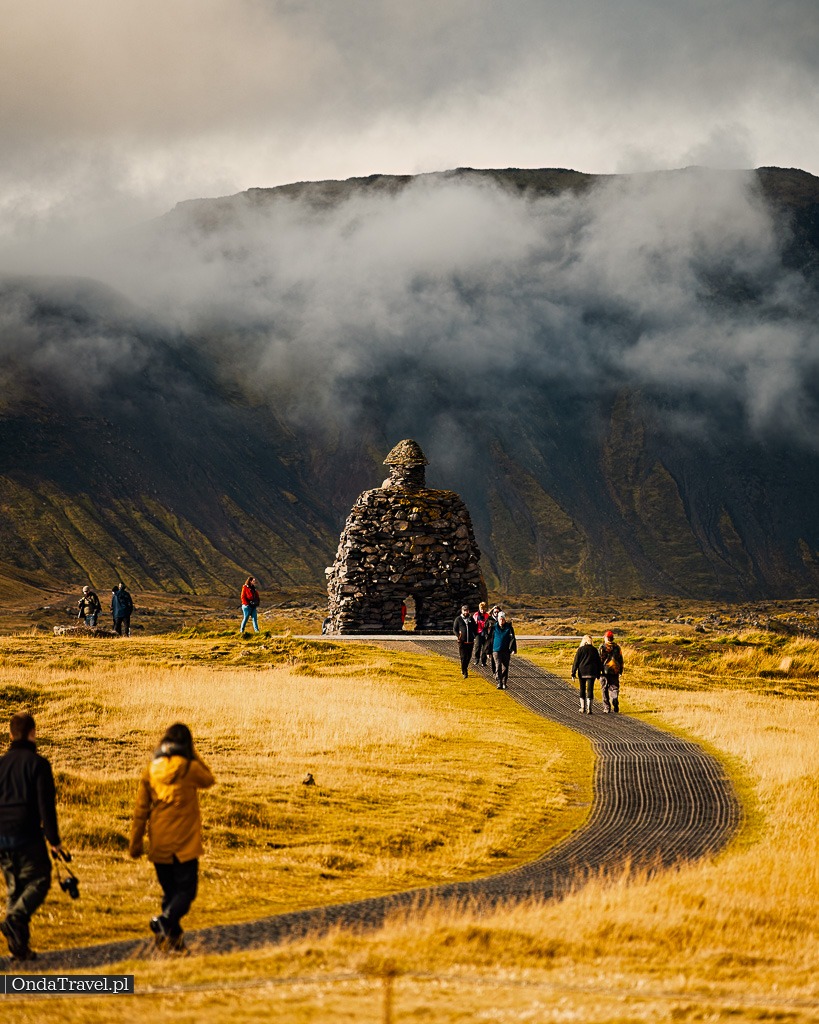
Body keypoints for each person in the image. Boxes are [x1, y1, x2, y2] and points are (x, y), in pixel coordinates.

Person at [129, 723, 215, 953]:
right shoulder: (189, 768)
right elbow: (209, 779)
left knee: (170, 894)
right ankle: (163, 923)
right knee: (186, 892)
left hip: (159, 843)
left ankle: (174, 943)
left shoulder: (151, 770)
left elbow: (140, 811)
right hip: (184, 844)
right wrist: (193, 755)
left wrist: (136, 843)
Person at [0, 713, 63, 961]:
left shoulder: (1, 764)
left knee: (14, 888)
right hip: (26, 833)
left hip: (1, 835)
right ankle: (14, 919)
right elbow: (45, 806)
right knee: (40, 879)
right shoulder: (38, 764)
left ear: (11, 734)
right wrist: (54, 840)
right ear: (32, 733)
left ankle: (19, 949)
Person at [571, 635, 603, 714]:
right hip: (592, 672)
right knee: (590, 689)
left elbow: (576, 662)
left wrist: (573, 673)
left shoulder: (580, 650)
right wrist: (599, 673)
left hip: (582, 672)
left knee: (582, 689)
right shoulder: (594, 650)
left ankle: (582, 707)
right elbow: (598, 662)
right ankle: (589, 708)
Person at [488, 611, 517, 689]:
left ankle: (504, 682)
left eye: (503, 619)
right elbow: (489, 640)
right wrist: (488, 651)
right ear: (498, 619)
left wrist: (513, 649)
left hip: (506, 650)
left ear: (504, 619)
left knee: (505, 667)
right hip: (496, 650)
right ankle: (499, 682)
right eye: (500, 619)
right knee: (498, 666)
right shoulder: (494, 628)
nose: (501, 621)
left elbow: (512, 639)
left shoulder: (509, 628)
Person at [599, 630, 625, 713]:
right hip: (615, 670)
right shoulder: (617, 647)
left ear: (606, 638)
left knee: (604, 688)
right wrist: (620, 670)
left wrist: (597, 670)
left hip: (604, 671)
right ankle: (614, 699)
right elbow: (621, 660)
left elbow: (599, 660)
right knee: (614, 687)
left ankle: (607, 707)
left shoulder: (602, 647)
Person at [453, 604, 477, 678]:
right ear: (462, 611)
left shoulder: (471, 619)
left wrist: (474, 635)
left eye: (467, 610)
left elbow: (475, 628)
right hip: (462, 642)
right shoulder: (458, 619)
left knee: (468, 657)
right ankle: (465, 671)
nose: (466, 612)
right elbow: (455, 629)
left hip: (470, 641)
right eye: (464, 610)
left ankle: (464, 668)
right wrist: (459, 637)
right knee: (463, 657)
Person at [472, 602, 491, 666]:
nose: (482, 610)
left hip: (485, 633)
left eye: (484, 609)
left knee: (485, 648)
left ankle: (483, 661)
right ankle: (476, 659)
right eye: (481, 609)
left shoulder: (487, 615)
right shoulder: (476, 615)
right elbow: (473, 624)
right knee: (477, 647)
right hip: (478, 633)